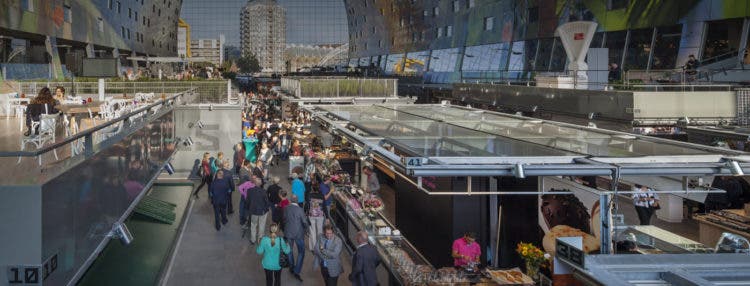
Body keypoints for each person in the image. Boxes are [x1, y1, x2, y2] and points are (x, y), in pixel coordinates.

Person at [283, 194, 309, 281]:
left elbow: (284, 218)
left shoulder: (286, 208)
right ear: (297, 201)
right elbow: (305, 222)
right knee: (301, 252)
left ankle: (291, 266)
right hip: (298, 234)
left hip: (288, 233)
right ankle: (296, 271)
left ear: (290, 200)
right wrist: (307, 230)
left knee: (289, 250)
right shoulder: (300, 210)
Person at [247, 176, 272, 244]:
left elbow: (247, 201)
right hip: (262, 212)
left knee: (253, 225)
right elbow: (267, 202)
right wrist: (267, 209)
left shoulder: (249, 191)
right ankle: (260, 239)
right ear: (261, 184)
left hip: (253, 211)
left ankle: (253, 239)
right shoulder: (264, 191)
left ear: (254, 183)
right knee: (262, 225)